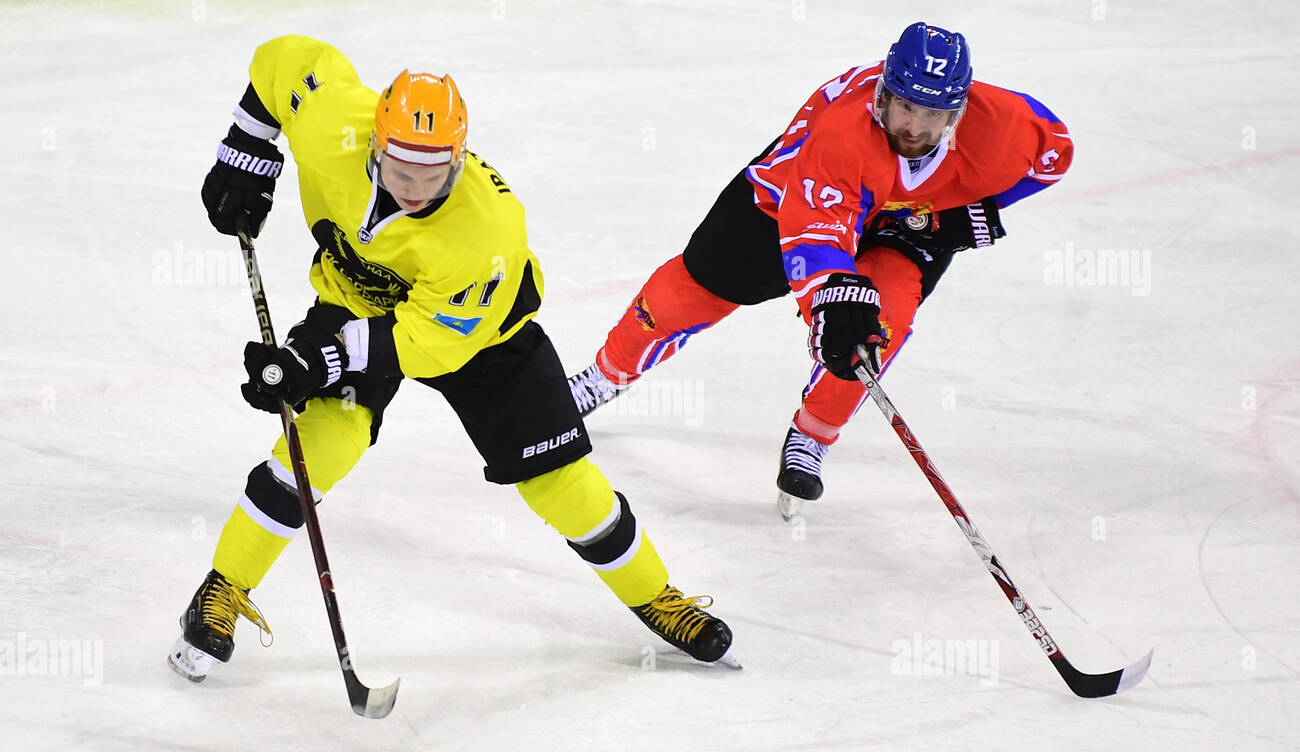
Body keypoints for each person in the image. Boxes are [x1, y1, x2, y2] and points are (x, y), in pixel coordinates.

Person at [168, 35, 733, 682]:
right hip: (357, 301)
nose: (414, 188)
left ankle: (655, 596)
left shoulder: (485, 230)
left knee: (559, 479)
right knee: (321, 444)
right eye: (402, 170)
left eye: (433, 175)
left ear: (458, 160)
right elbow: (283, 62)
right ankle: (222, 588)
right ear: (376, 144)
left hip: (483, 338)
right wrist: (245, 148)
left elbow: (423, 343)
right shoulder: (335, 127)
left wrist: (316, 359)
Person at [567, 22, 1073, 515]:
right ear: (884, 94)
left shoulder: (1004, 124)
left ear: (957, 111)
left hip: (903, 221)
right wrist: (833, 297)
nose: (915, 127)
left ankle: (812, 436)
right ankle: (604, 376)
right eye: (905, 106)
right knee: (694, 289)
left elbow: (1053, 156)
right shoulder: (843, 133)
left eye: (933, 113)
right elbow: (815, 233)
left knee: (881, 326)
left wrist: (964, 210)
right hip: (788, 200)